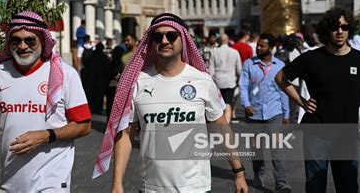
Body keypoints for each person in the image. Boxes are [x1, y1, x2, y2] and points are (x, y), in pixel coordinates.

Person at [93, 13, 248, 193]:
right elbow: (126, 134)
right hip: (151, 187)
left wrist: (239, 172)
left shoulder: (202, 81)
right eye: (158, 37)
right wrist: (117, 183)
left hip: (195, 187)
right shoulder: (138, 83)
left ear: (183, 39)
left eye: (171, 36)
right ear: (151, 42)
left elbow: (221, 126)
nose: (165, 40)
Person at [0, 11, 91, 192]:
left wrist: (46, 135)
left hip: (52, 179)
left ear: (42, 41)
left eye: (30, 40)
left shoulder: (64, 74)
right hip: (11, 180)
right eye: (16, 40)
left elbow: (84, 125)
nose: (23, 46)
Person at [275, 8, 360, 193]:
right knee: (315, 186)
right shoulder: (312, 57)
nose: (340, 31)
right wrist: (302, 101)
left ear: (349, 29)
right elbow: (281, 78)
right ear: (326, 30)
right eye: (335, 27)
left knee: (348, 187)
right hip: (316, 135)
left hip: (347, 136)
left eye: (344, 27)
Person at [239, 33, 291, 192]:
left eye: (262, 45)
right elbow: (243, 85)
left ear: (271, 47)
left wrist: (286, 113)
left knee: (277, 148)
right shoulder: (249, 64)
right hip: (254, 114)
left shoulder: (279, 66)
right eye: (258, 45)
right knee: (257, 149)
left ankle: (281, 182)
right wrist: (246, 103)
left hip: (274, 114)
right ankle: (258, 176)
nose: (258, 48)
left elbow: (283, 90)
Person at [209, 33, 242, 122]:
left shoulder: (214, 52)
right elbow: (239, 70)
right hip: (230, 81)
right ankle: (226, 124)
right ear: (228, 40)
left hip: (218, 81)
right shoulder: (234, 52)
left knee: (219, 104)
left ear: (219, 41)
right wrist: (238, 82)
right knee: (228, 103)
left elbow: (211, 71)